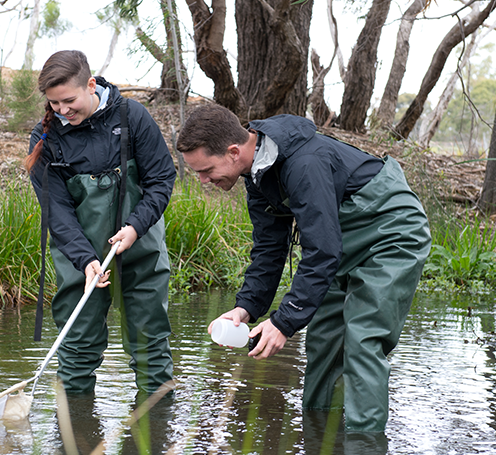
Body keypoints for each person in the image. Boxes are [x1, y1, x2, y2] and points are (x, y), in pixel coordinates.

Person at [176, 103, 430, 432]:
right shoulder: (257, 176)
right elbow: (269, 249)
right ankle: (320, 445)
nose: (203, 180)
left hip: (391, 232)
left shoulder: (303, 163)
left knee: (362, 341)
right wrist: (244, 309)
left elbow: (321, 250)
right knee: (323, 342)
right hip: (340, 241)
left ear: (234, 151)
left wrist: (283, 322)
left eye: (205, 170)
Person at [26, 50, 175, 396]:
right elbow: (57, 213)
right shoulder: (45, 140)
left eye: (68, 100)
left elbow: (161, 179)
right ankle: (76, 431)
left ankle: (155, 432)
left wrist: (136, 227)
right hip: (80, 258)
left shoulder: (132, 116)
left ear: (90, 85)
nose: (62, 110)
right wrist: (86, 260)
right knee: (77, 347)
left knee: (151, 344)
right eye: (53, 104)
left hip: (141, 247)